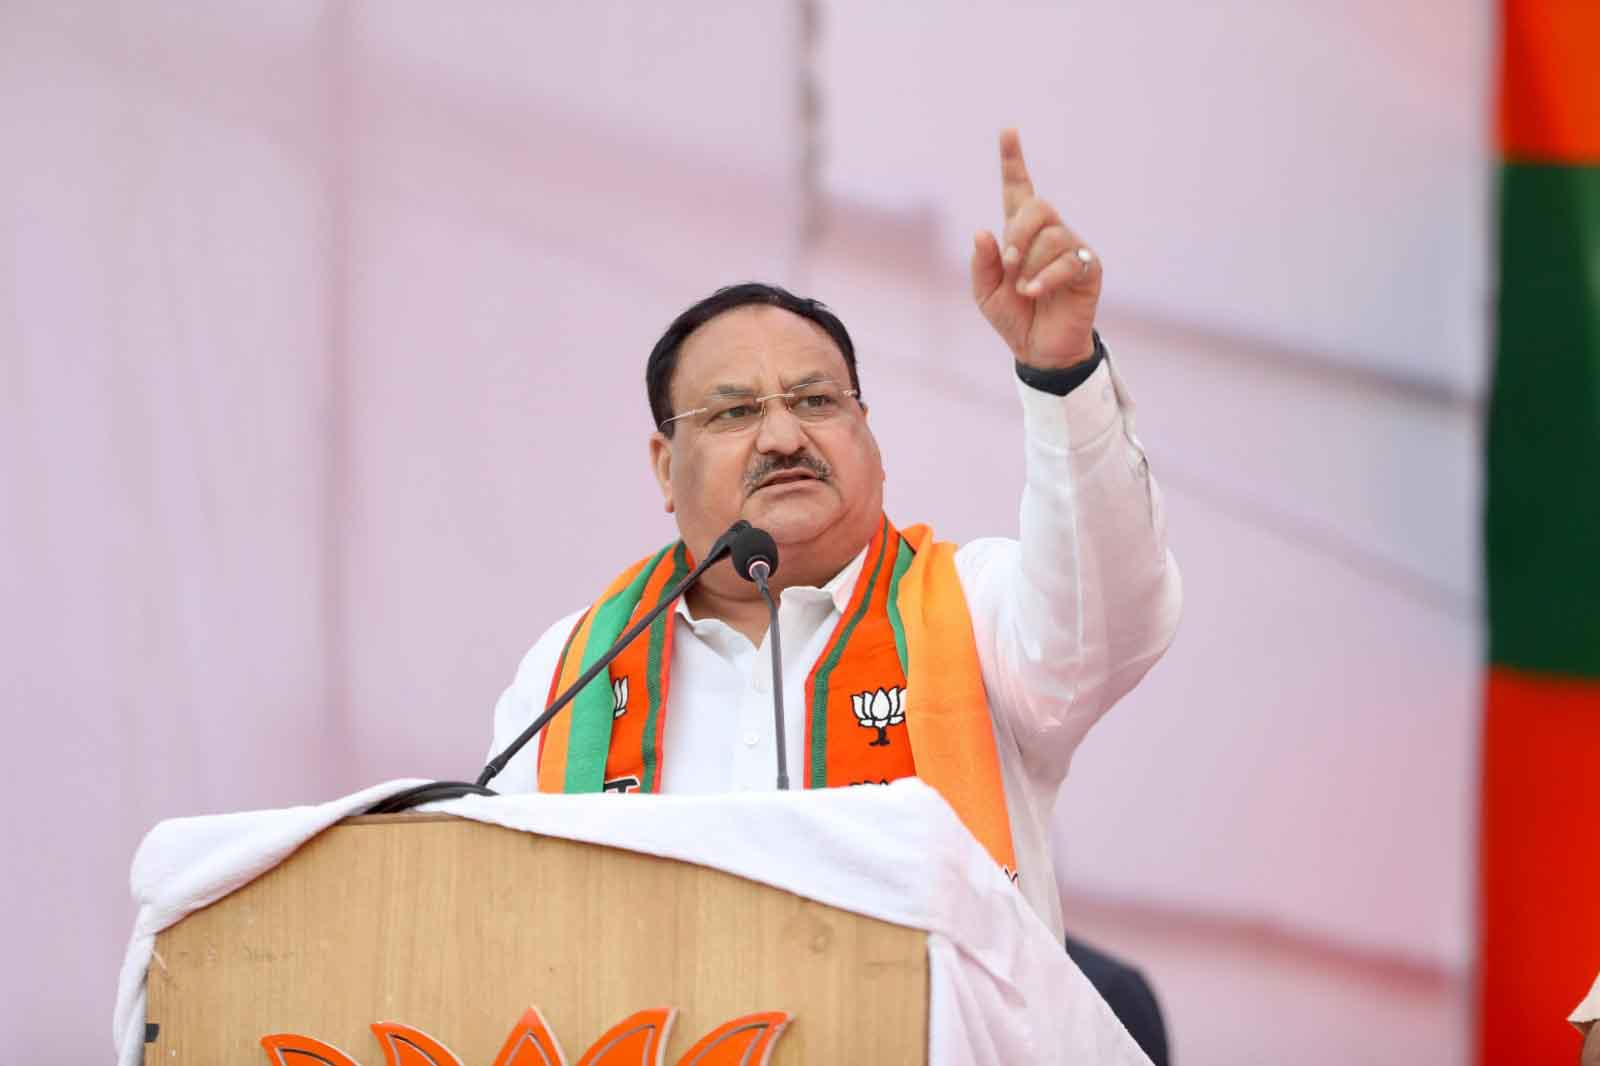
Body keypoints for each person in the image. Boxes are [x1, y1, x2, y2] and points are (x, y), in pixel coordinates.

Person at [489, 129, 1182, 938]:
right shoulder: (570, 671)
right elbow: (503, 918)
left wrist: (1061, 374)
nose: (783, 436)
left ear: (868, 434)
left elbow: (1115, 608)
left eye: (816, 401)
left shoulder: (977, 611)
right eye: (735, 412)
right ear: (662, 468)